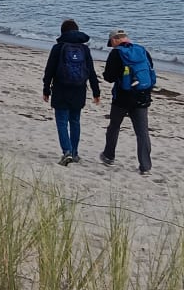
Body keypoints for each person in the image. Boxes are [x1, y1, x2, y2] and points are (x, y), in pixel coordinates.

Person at [42, 19, 101, 166]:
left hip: (61, 89)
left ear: (63, 32)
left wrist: (46, 89)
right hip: (79, 90)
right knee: (75, 121)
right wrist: (96, 92)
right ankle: (74, 153)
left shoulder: (58, 48)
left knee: (62, 122)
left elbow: (49, 70)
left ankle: (66, 151)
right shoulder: (84, 49)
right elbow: (91, 72)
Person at [100, 28, 156, 176]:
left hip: (122, 97)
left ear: (114, 40)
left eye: (111, 43)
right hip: (142, 96)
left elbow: (109, 77)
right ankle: (145, 166)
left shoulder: (116, 53)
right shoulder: (142, 50)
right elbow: (150, 69)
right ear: (127, 38)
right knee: (142, 132)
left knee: (114, 126)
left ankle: (109, 156)